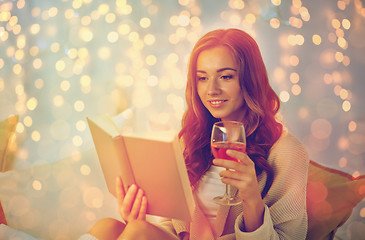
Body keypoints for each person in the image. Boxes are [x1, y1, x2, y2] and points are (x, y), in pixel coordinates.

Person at [79, 28, 309, 240]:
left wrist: (251, 199)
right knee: (107, 227)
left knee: (137, 232)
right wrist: (137, 219)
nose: (211, 90)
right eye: (202, 78)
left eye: (226, 76)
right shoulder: (189, 140)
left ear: (250, 79)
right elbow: (172, 226)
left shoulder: (288, 152)